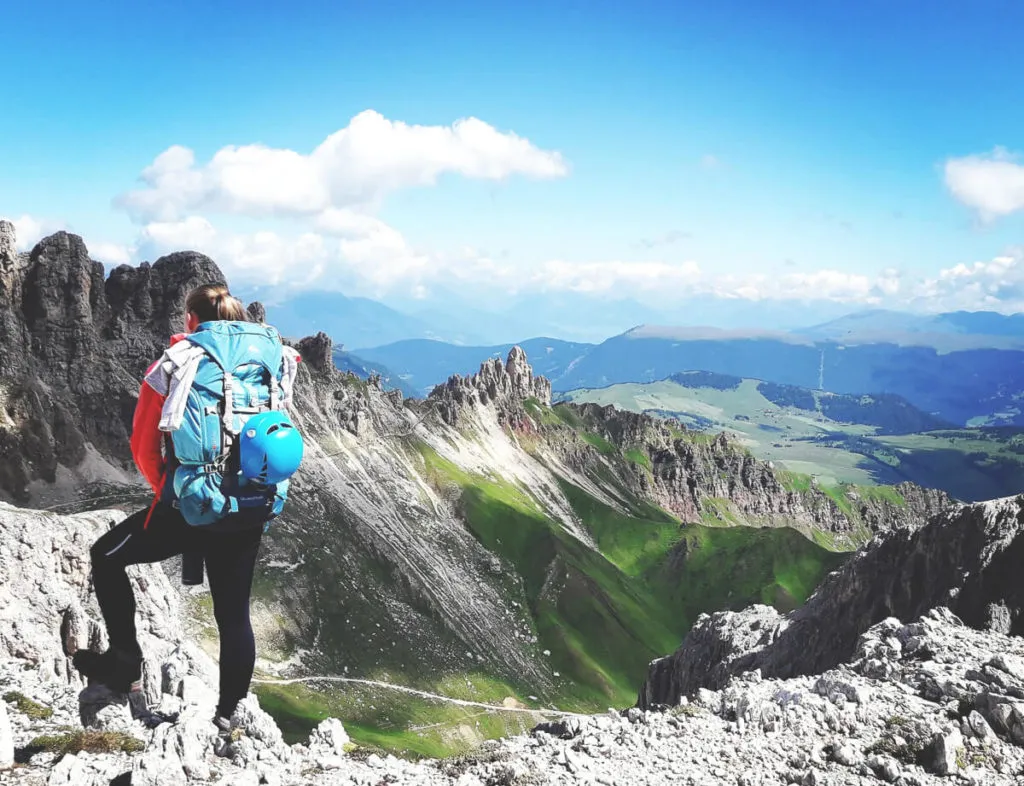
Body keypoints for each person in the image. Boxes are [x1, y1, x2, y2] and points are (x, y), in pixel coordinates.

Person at [73, 284, 299, 735]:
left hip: (191, 504)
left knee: (106, 556)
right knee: (234, 616)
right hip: (251, 504)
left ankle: (123, 667)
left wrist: (172, 491)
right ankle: (229, 717)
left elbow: (143, 447)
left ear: (193, 319)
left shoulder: (177, 361)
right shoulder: (274, 357)